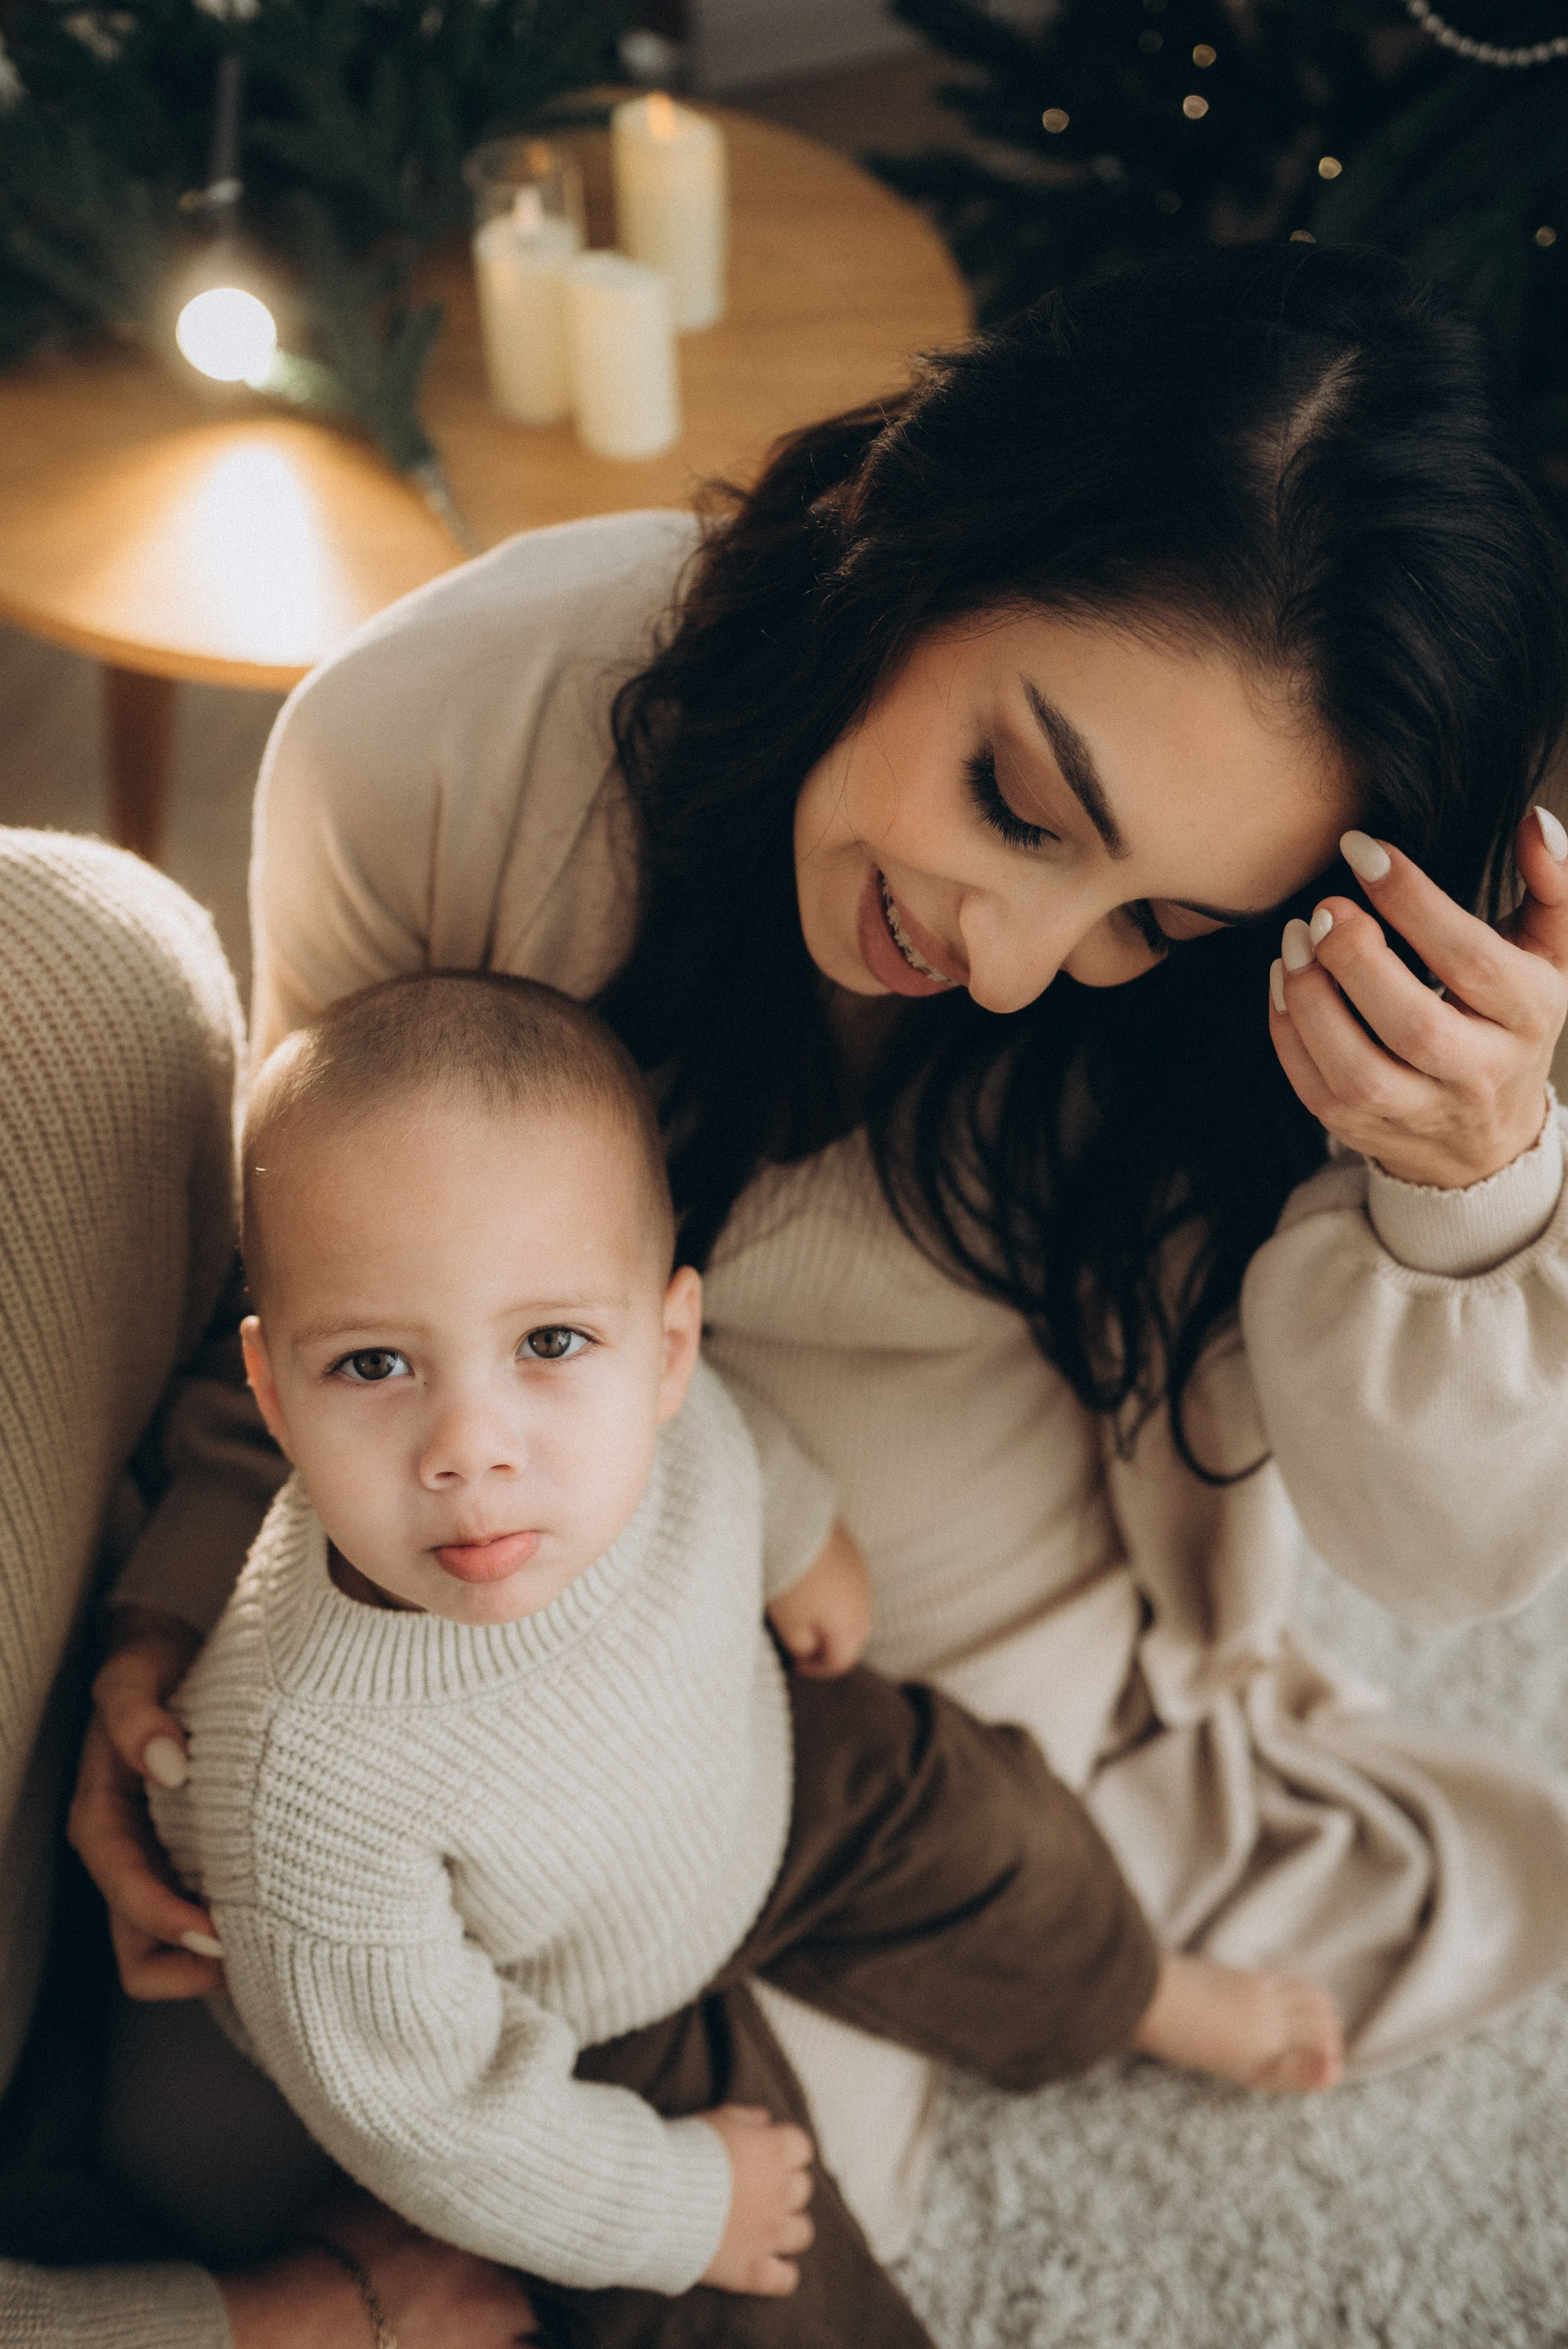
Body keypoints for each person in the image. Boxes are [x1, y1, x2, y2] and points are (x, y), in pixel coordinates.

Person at [70, 241, 1568, 2323]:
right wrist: (174, 1618)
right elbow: (331, 1279)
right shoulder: (437, 735)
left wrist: (1472, 1181)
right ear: (914, 537)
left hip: (938, 1591)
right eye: (1017, 802)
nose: (1019, 964)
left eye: (1156, 924)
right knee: (214, 2145)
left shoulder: (1253, 1015)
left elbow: (1445, 1556)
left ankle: (1133, 1975)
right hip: (497, 1535)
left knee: (765, 2202)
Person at [152, 967, 1340, 2349]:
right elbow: (433, 2120)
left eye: (548, 1342)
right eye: (372, 1365)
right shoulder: (304, 1790)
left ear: (665, 1347)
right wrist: (679, 2201)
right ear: (272, 1392)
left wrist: (794, 1531)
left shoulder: (639, 1423)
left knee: (995, 1825)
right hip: (577, 2010)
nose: (472, 1449)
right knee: (757, 2301)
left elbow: (720, 1435)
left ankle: (1134, 1990)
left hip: (758, 1764)